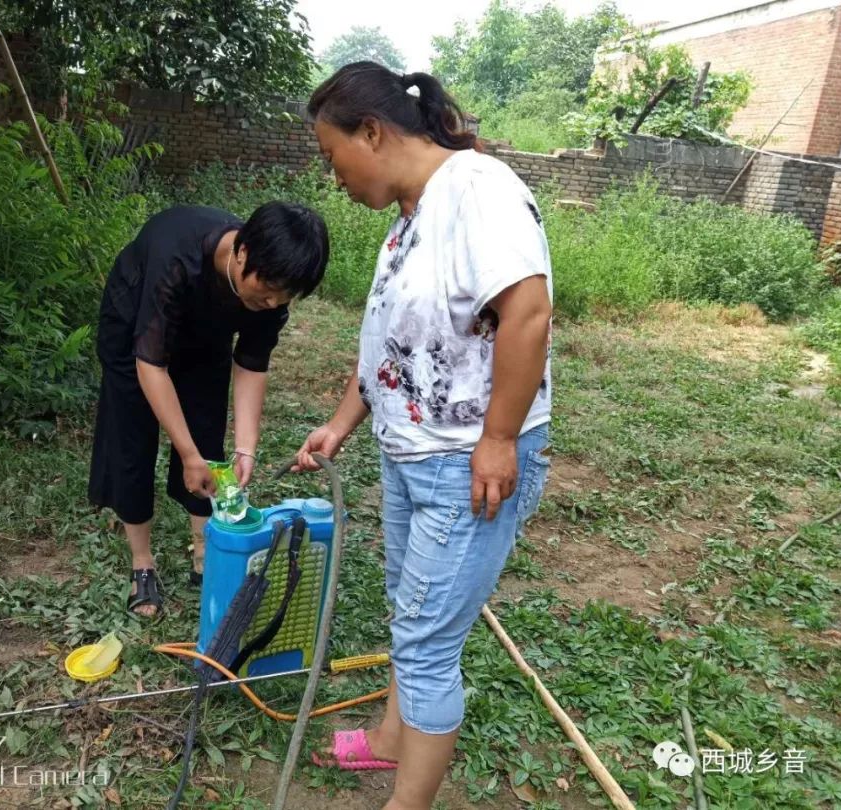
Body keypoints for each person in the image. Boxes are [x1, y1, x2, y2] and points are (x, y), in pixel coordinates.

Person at [294, 62, 553, 809]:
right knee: (409, 613)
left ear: (371, 132)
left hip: (468, 463)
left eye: (330, 154)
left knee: (427, 644)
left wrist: (499, 437)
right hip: (413, 455)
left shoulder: (480, 190)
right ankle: (385, 742)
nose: (331, 175)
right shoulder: (411, 218)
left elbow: (527, 311)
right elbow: (388, 345)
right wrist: (343, 423)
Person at [90, 202, 329, 617]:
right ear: (241, 253)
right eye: (269, 287)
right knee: (132, 435)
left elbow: (252, 366)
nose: (274, 301)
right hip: (135, 323)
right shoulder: (177, 258)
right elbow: (151, 364)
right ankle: (141, 563)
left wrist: (246, 449)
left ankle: (205, 548)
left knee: (206, 430)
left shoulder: (269, 297)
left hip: (206, 333)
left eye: (286, 296)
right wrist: (185, 454)